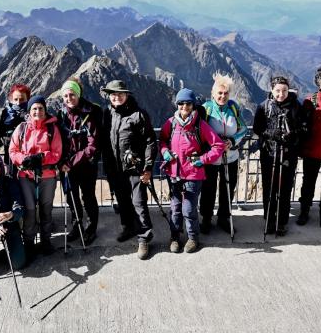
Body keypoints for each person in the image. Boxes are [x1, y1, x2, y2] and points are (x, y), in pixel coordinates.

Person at [159, 88, 225, 253]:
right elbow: (162, 141)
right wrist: (165, 152)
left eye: (188, 103)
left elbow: (218, 145)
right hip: (174, 172)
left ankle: (193, 238)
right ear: (177, 104)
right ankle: (175, 237)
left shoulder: (200, 125)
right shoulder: (171, 123)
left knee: (188, 208)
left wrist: (202, 160)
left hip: (193, 174)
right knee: (175, 207)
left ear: (193, 105)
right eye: (181, 103)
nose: (184, 107)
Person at [101, 80, 157, 260]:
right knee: (123, 200)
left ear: (126, 95)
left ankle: (144, 238)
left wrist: (147, 168)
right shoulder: (107, 113)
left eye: (120, 94)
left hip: (135, 169)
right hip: (115, 168)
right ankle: (128, 227)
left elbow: (150, 141)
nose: (116, 97)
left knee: (139, 203)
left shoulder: (139, 115)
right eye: (113, 94)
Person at [9, 95, 62, 260]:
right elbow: (13, 151)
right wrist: (23, 159)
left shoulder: (52, 129)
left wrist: (40, 157)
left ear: (45, 110)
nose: (37, 111)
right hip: (26, 175)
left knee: (46, 210)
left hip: (47, 175)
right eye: (34, 108)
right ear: (29, 111)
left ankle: (46, 241)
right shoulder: (22, 129)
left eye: (40, 108)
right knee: (30, 211)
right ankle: (29, 243)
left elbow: (57, 153)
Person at [253, 76, 304, 236]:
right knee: (269, 188)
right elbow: (257, 128)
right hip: (269, 153)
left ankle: (282, 222)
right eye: (278, 91)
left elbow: (304, 128)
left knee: (285, 188)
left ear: (288, 90)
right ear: (272, 90)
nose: (281, 94)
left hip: (288, 154)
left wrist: (293, 135)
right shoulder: (264, 107)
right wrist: (270, 133)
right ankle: (269, 220)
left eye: (284, 91)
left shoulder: (296, 106)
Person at [199, 74, 248, 234]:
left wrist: (232, 141)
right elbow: (199, 132)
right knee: (208, 189)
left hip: (231, 156)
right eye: (219, 93)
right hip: (212, 158)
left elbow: (243, 129)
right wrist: (214, 143)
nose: (223, 96)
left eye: (226, 93)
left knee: (228, 187)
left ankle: (223, 218)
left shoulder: (233, 108)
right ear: (213, 93)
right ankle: (206, 219)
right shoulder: (206, 109)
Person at [58, 77, 102, 246]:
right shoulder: (61, 115)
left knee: (88, 196)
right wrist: (61, 162)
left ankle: (91, 229)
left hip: (85, 165)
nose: (69, 99)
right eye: (66, 96)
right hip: (66, 166)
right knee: (71, 197)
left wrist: (70, 162)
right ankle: (77, 226)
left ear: (78, 94)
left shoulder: (90, 114)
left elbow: (93, 145)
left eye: (72, 95)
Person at [297, 67, 321, 227]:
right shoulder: (309, 101)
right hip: (311, 151)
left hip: (312, 150)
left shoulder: (309, 100)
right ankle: (304, 211)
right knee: (308, 183)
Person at [0, 84, 31, 175]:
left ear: (28, 99)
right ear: (11, 99)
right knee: (11, 181)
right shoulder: (6, 112)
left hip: (27, 156)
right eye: (16, 99)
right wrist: (6, 139)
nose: (18, 102)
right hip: (9, 156)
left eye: (22, 99)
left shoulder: (31, 112)